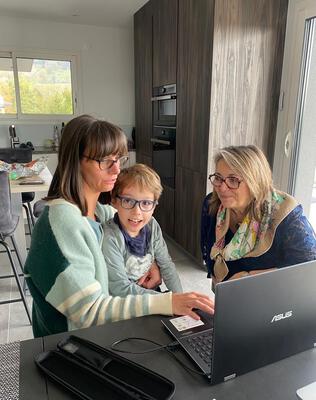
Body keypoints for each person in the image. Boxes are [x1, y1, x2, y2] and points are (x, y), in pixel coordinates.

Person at [24, 114, 214, 337]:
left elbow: (139, 229)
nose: (116, 170)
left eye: (119, 159)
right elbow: (90, 311)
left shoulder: (99, 212)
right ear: (75, 160)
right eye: (105, 161)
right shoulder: (62, 222)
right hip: (70, 345)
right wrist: (167, 302)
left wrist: (151, 262)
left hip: (101, 332)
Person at [201, 145, 316, 285]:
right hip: (225, 293)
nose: (222, 188)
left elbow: (309, 268)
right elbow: (207, 247)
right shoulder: (212, 204)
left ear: (255, 181)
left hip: (269, 296)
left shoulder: (285, 214)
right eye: (218, 178)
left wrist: (249, 278)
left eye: (233, 180)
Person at [103, 163, 183, 296]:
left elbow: (166, 265)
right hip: (127, 305)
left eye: (146, 203)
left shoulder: (152, 225)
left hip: (152, 295)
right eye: (128, 201)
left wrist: (180, 298)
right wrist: (169, 301)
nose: (137, 212)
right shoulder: (110, 237)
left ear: (154, 206)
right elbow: (119, 289)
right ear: (114, 201)